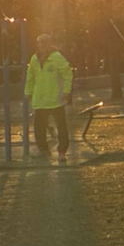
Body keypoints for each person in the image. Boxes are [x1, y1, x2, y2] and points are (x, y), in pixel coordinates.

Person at [25, 34, 73, 162]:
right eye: (40, 43)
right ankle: (43, 150)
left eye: (45, 43)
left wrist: (66, 91)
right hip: (40, 100)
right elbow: (30, 77)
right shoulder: (34, 59)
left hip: (55, 99)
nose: (42, 45)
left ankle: (62, 151)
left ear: (49, 43)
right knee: (39, 127)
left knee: (61, 125)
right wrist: (28, 92)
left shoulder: (57, 58)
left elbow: (67, 74)